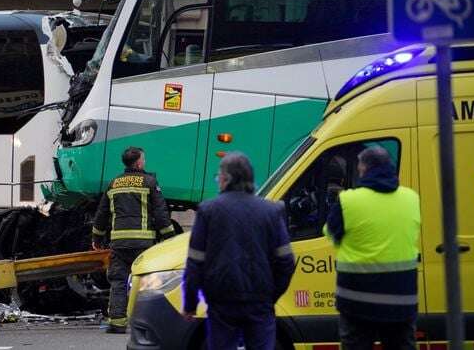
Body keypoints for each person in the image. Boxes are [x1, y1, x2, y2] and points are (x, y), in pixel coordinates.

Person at [182, 152, 296, 350]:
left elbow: (195, 262)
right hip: (260, 300)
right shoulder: (271, 211)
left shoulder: (208, 210)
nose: (218, 181)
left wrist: (190, 303)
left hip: (221, 301)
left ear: (226, 179)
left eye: (219, 177)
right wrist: (271, 295)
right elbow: (286, 261)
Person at [324, 146, 421, 350]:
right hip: (402, 300)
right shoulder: (411, 198)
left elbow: (331, 233)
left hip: (357, 302)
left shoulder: (348, 200)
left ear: (364, 169)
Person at [92, 146, 176, 334]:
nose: (144, 162)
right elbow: (161, 214)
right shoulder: (149, 182)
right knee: (148, 282)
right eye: (143, 159)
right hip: (143, 244)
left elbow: (102, 214)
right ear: (138, 162)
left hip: (119, 243)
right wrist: (170, 238)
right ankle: (149, 323)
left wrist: (96, 238)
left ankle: (117, 322)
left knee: (118, 281)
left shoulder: (114, 183)